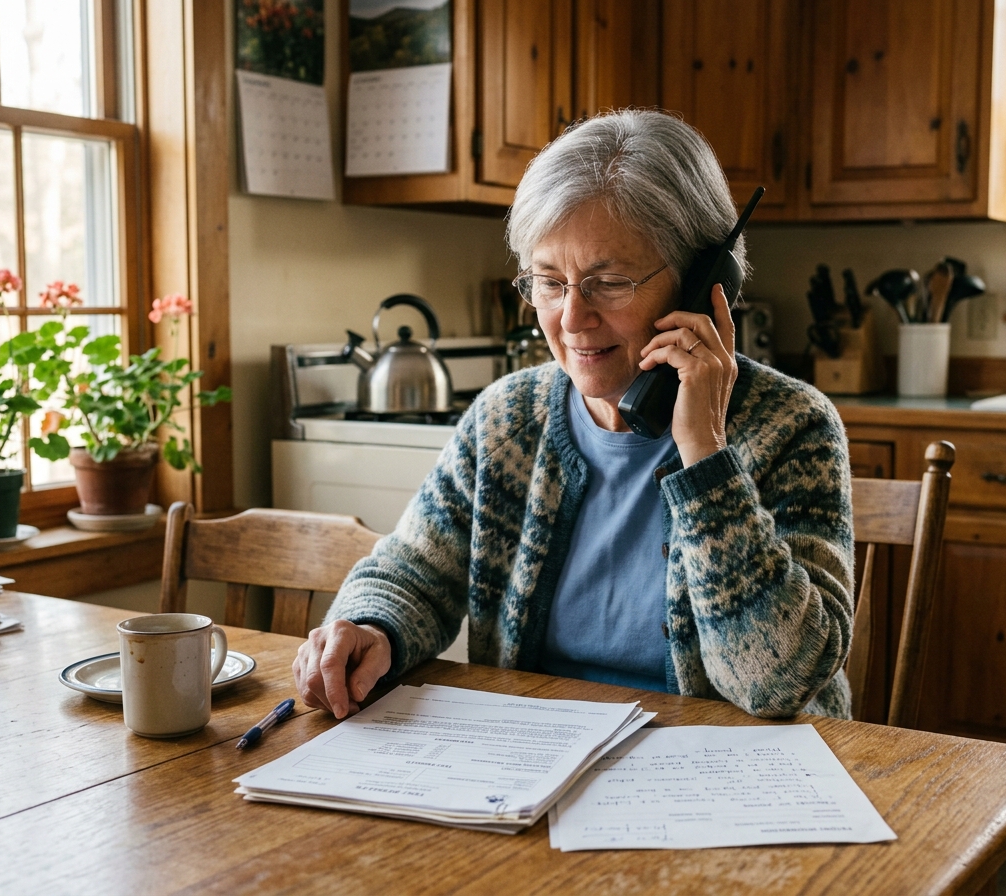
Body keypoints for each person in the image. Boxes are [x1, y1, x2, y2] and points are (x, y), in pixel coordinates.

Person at [293, 109, 855, 721]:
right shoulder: (507, 419)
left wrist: (705, 456)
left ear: (702, 284)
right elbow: (412, 572)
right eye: (548, 282)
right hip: (534, 766)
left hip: (729, 782)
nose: (570, 318)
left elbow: (778, 682)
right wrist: (371, 627)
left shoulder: (794, 425)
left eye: (607, 282)